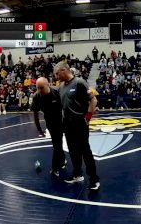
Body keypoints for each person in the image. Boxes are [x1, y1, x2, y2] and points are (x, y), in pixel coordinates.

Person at [54, 61, 100, 191]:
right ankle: (77, 174)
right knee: (73, 150)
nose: (57, 77)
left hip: (80, 122)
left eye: (57, 74)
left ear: (64, 70)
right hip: (67, 123)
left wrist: (88, 118)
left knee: (85, 151)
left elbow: (93, 100)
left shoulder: (80, 83)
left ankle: (94, 179)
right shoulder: (61, 86)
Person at [31, 77, 67, 177]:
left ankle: (57, 166)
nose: (39, 90)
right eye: (37, 88)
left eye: (41, 87)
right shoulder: (37, 96)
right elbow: (35, 114)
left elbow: (66, 106)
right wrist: (39, 129)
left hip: (62, 120)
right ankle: (60, 163)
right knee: (57, 144)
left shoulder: (57, 92)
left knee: (58, 144)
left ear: (48, 85)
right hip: (50, 123)